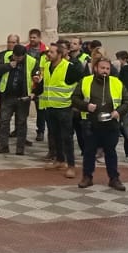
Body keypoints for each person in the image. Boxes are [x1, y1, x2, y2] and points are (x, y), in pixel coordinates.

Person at [72, 57, 128, 191]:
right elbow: (74, 98)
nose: (105, 71)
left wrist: (118, 112)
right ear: (96, 68)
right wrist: (86, 106)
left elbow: (127, 101)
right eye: (102, 68)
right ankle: (87, 177)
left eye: (107, 69)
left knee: (111, 152)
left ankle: (114, 178)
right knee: (89, 151)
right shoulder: (85, 81)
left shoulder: (117, 82)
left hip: (111, 123)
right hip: (91, 123)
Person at [39, 44, 83, 178]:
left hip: (64, 108)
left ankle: (71, 166)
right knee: (55, 135)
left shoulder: (69, 67)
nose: (48, 54)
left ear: (59, 54)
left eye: (52, 52)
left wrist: (77, 102)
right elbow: (44, 84)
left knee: (67, 138)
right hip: (50, 106)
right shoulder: (47, 66)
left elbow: (82, 82)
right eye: (48, 52)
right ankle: (60, 160)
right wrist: (35, 92)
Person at [0, 34, 36, 155]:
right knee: (4, 121)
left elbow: (37, 77)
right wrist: (8, 66)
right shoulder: (6, 56)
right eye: (15, 56)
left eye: (19, 57)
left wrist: (33, 92)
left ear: (24, 55)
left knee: (22, 122)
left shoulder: (31, 61)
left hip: (23, 97)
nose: (17, 59)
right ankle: (3, 145)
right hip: (8, 95)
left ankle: (20, 148)